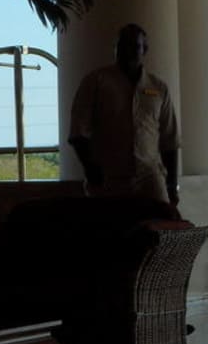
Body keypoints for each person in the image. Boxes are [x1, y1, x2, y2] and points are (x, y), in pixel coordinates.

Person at [69, 23, 180, 206]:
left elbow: (170, 140)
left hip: (150, 179)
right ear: (115, 49)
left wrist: (172, 185)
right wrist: (92, 171)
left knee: (161, 228)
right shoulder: (96, 82)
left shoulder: (158, 88)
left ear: (145, 49)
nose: (128, 51)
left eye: (134, 46)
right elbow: (78, 132)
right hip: (109, 178)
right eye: (122, 46)